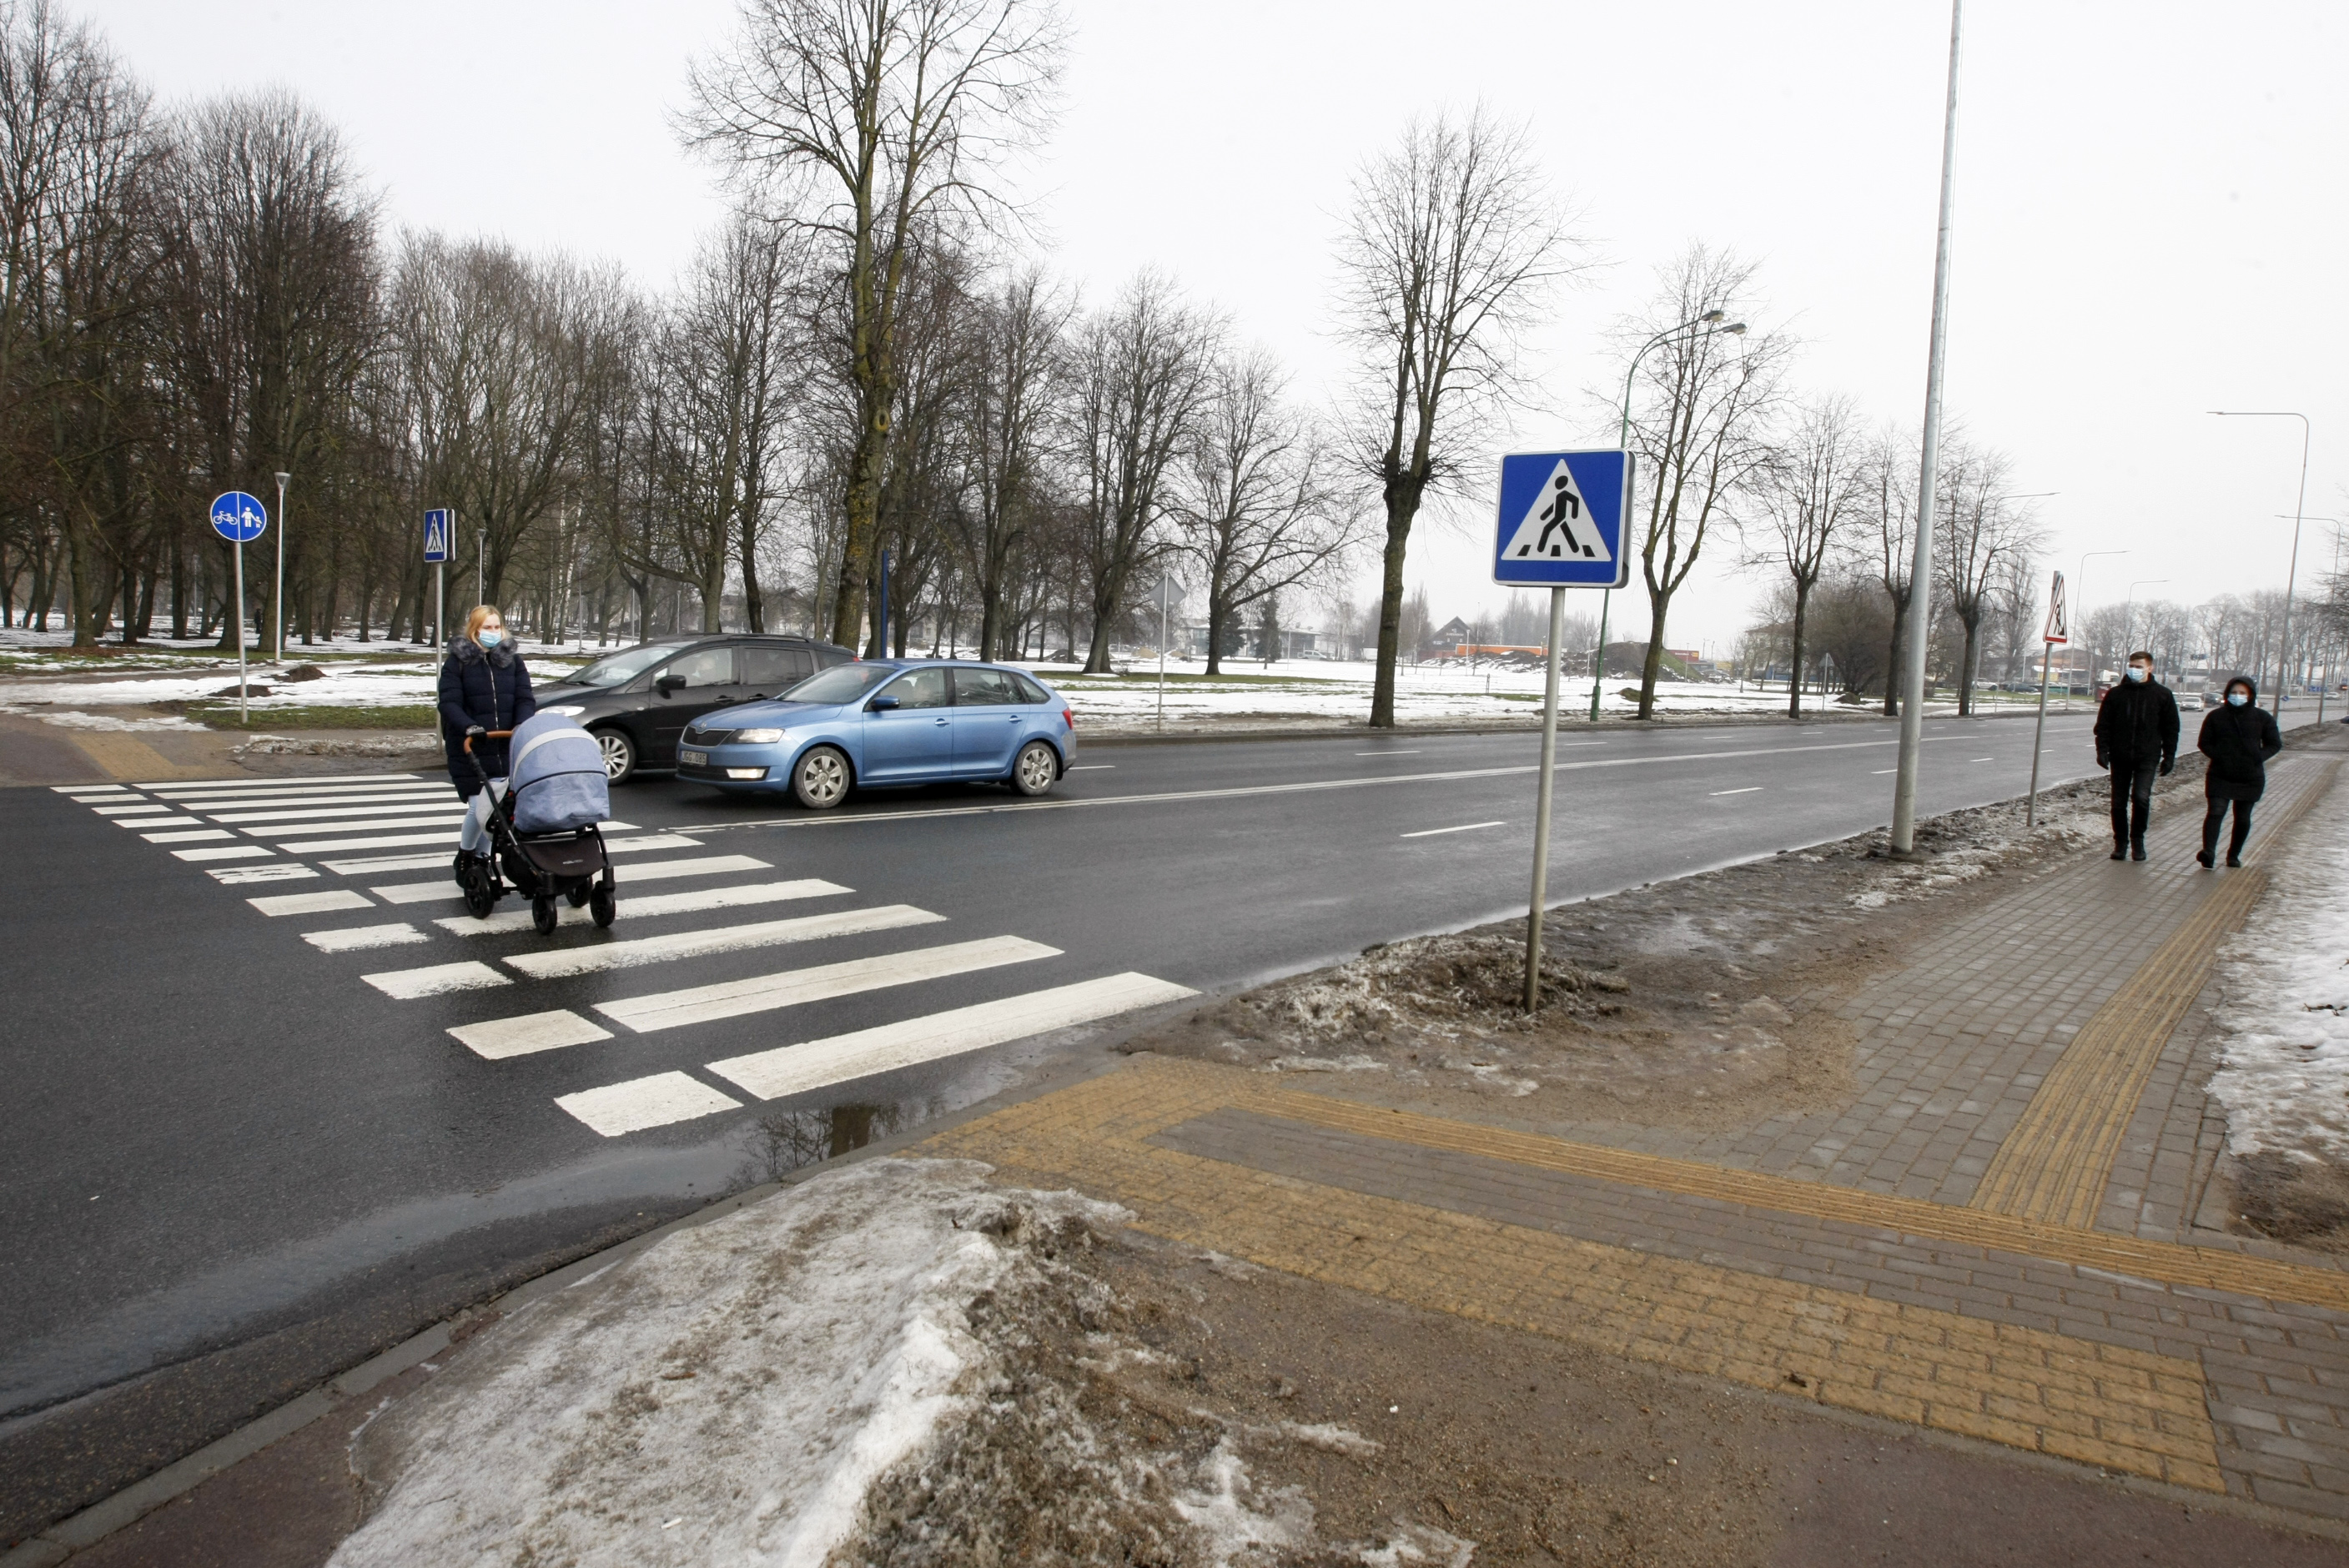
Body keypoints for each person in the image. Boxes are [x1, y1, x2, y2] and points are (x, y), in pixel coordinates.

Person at [437, 606, 536, 860]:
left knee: (496, 810)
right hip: (471, 746)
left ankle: (482, 857)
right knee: (478, 808)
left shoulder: (512, 661)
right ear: (474, 630)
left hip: (504, 745)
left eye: (496, 627)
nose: (493, 632)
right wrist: (469, 725)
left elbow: (525, 697)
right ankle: (467, 853)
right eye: (486, 627)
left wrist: (520, 724)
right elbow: (449, 703)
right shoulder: (457, 663)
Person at [2091, 650, 2180, 862]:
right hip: (2120, 756)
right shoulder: (2116, 694)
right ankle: (2120, 842)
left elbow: (2171, 728)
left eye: (2139, 666)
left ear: (2150, 668)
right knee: (2118, 803)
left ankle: (2138, 840)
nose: (2134, 670)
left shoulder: (2162, 695)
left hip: (2147, 757)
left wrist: (2169, 756)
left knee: (2141, 797)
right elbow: (2103, 725)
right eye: (2131, 666)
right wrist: (2102, 750)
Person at [2195, 675, 2283, 868]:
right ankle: (2208, 852)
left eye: (2242, 693)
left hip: (2250, 776)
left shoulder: (2262, 718)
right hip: (2220, 773)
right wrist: (2219, 756)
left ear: (2250, 695)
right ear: (2227, 694)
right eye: (2234, 692)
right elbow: (2204, 742)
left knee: (2242, 817)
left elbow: (2275, 743)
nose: (2238, 696)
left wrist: (2257, 757)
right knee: (2216, 812)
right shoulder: (2216, 716)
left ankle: (2233, 855)